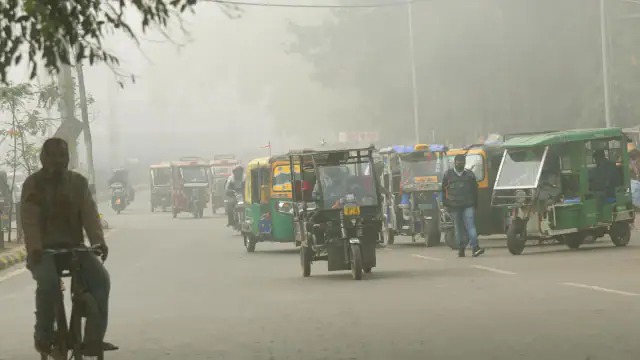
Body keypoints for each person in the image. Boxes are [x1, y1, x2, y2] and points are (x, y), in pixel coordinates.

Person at [21, 138, 117, 356]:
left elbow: (90, 215)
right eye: (52, 156)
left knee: (101, 280)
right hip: (44, 252)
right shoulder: (33, 185)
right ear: (43, 158)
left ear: (68, 158)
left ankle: (93, 339)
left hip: (75, 249)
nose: (57, 161)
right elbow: (30, 220)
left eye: (62, 156)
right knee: (48, 285)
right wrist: (34, 249)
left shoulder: (78, 183)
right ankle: (43, 336)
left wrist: (98, 242)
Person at [441, 154, 485, 258]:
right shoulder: (448, 175)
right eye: (459, 162)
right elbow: (443, 190)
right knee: (461, 228)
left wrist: (475, 204)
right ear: (455, 163)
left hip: (467, 205)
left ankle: (474, 248)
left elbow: (475, 191)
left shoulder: (469, 175)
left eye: (462, 162)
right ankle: (463, 249)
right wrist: (445, 204)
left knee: (468, 227)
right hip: (455, 206)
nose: (460, 164)